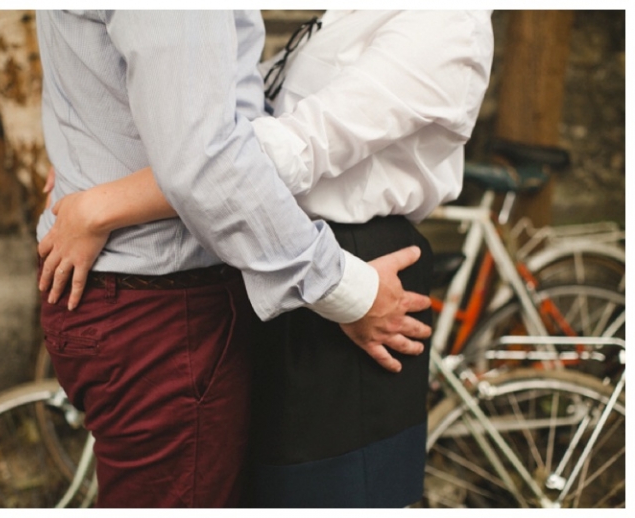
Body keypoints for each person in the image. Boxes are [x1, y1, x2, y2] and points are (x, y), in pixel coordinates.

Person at [39, 10, 494, 507]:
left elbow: (263, 144)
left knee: (334, 496)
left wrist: (102, 200)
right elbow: (215, 145)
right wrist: (91, 187)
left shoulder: (445, 23)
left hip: (342, 275)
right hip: (284, 270)